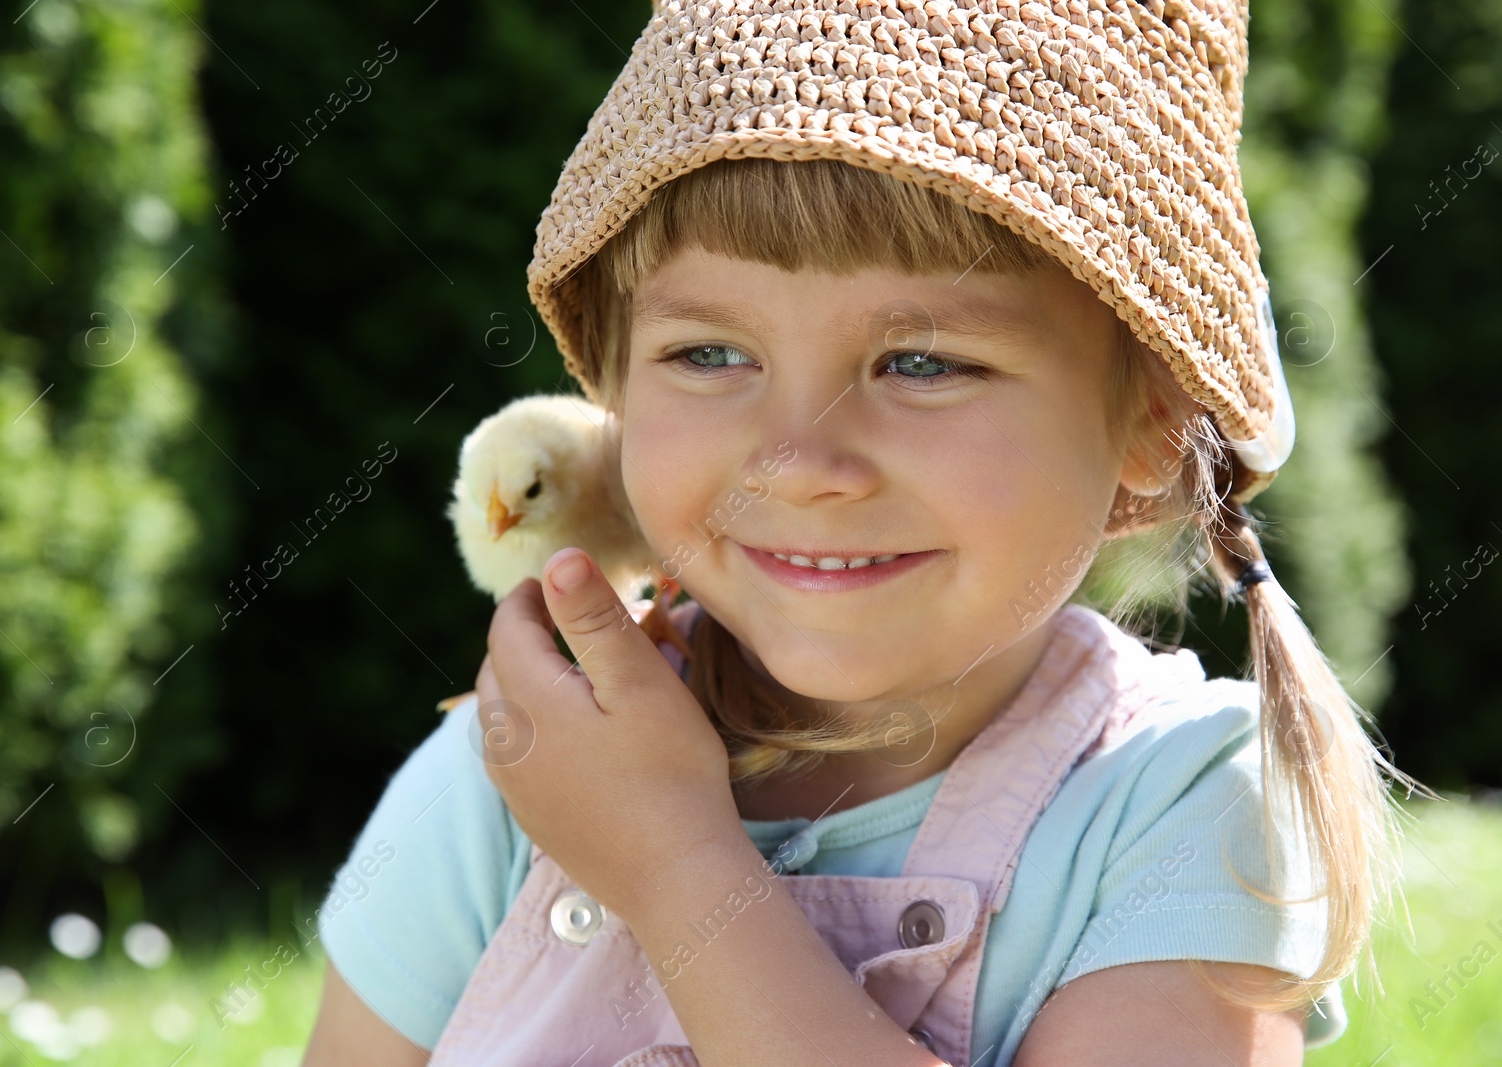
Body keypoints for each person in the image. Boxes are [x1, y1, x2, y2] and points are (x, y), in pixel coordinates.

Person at [302, 1, 1422, 1064]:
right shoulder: (517, 776)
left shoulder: (1185, 807)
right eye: (709, 354)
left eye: (922, 362)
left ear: (1150, 419)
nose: (798, 462)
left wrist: (677, 867)